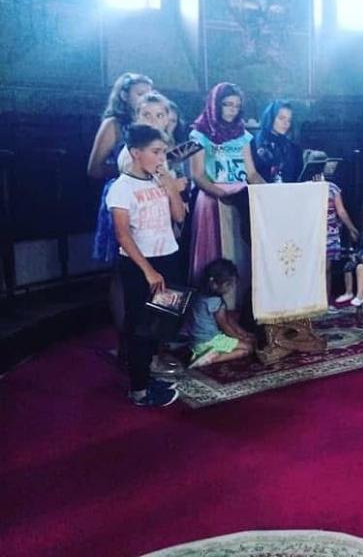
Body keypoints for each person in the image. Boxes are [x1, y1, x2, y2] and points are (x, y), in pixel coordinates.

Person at [107, 124, 187, 407]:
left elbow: (179, 217)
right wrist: (148, 270)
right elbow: (122, 234)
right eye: (156, 152)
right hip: (140, 263)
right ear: (135, 153)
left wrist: (170, 187)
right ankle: (138, 389)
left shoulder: (159, 180)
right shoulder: (121, 188)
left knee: (161, 322)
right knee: (140, 327)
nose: (161, 157)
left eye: (163, 151)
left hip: (168, 256)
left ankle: (150, 376)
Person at [87, 72, 154, 363]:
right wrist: (129, 169)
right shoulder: (113, 124)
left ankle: (150, 339)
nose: (145, 98)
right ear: (125, 95)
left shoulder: (152, 124)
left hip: (151, 200)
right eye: (140, 93)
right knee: (122, 270)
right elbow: (93, 168)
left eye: (149, 93)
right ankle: (125, 340)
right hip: (122, 200)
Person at [188, 82, 263, 286]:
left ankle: (240, 297)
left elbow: (251, 172)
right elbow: (197, 175)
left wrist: (269, 192)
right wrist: (220, 193)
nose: (232, 110)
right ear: (215, 104)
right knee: (216, 248)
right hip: (213, 196)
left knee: (241, 249)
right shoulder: (199, 134)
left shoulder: (242, 135)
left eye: (237, 106)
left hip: (241, 196)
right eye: (227, 104)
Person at [305, 150, 359, 308]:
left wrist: (351, 228)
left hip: (330, 234)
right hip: (311, 234)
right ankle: (310, 301)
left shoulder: (333, 188)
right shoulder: (304, 188)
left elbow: (341, 211)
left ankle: (325, 302)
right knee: (312, 269)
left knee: (327, 269)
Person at [186, 258, 254, 368]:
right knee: (248, 348)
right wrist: (239, 338)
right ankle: (211, 359)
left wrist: (243, 333)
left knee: (244, 342)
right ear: (214, 284)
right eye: (228, 285)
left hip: (195, 343)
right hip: (210, 341)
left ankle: (204, 353)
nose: (231, 288)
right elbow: (225, 326)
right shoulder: (216, 302)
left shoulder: (199, 295)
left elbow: (228, 318)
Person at [251, 100, 302, 183]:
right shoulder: (253, 144)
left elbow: (298, 178)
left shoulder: (294, 149)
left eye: (289, 120)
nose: (286, 123)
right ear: (270, 118)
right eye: (281, 118)